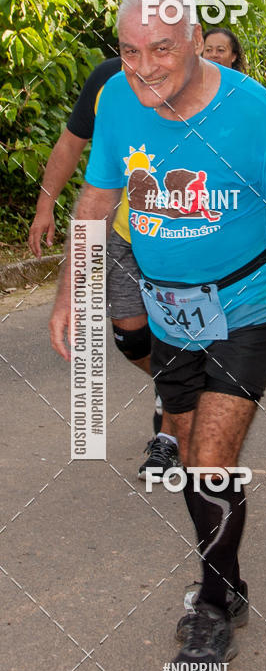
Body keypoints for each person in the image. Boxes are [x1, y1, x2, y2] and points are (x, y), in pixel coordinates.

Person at [49, 0, 266, 671]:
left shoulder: (255, 112)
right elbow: (95, 198)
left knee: (209, 460)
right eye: (127, 50)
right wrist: (69, 291)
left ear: (192, 41)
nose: (142, 66)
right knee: (185, 450)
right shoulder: (118, 99)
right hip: (169, 306)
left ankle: (211, 609)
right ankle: (229, 577)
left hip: (250, 304)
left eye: (159, 50)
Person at [27, 56, 180, 479]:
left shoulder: (196, 80)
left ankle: (168, 434)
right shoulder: (108, 80)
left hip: (178, 233)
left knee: (174, 331)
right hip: (121, 228)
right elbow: (70, 144)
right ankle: (181, 385)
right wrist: (45, 207)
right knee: (131, 339)